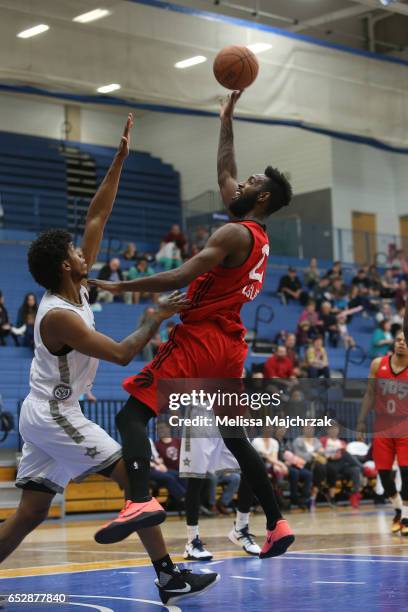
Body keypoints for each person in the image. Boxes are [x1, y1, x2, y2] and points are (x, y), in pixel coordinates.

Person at [0, 115, 218, 606]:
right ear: (64, 265)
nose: (84, 251)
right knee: (133, 478)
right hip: (56, 413)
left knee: (30, 513)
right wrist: (155, 316)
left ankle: (167, 573)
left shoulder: (76, 287)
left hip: (51, 411)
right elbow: (122, 354)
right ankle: (168, 576)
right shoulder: (59, 316)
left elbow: (96, 216)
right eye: (76, 251)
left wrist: (117, 160)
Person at [90, 90, 295, 559]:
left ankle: (138, 500)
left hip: (201, 338)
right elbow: (225, 170)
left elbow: (183, 275)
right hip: (231, 345)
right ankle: (277, 522)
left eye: (251, 181)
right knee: (235, 436)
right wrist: (226, 118)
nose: (239, 181)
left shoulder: (232, 233)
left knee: (131, 414)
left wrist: (119, 287)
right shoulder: (254, 234)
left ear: (261, 196)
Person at [179, 399, 260, 561]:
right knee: (195, 478)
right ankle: (192, 542)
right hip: (202, 409)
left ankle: (240, 528)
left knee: (251, 467)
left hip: (229, 409)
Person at [357, 329, 408, 535]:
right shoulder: (378, 364)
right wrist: (361, 421)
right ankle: (399, 509)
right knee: (384, 475)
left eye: (405, 341)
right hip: (382, 425)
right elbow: (370, 393)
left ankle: (405, 517)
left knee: (406, 473)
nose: (401, 343)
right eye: (398, 339)